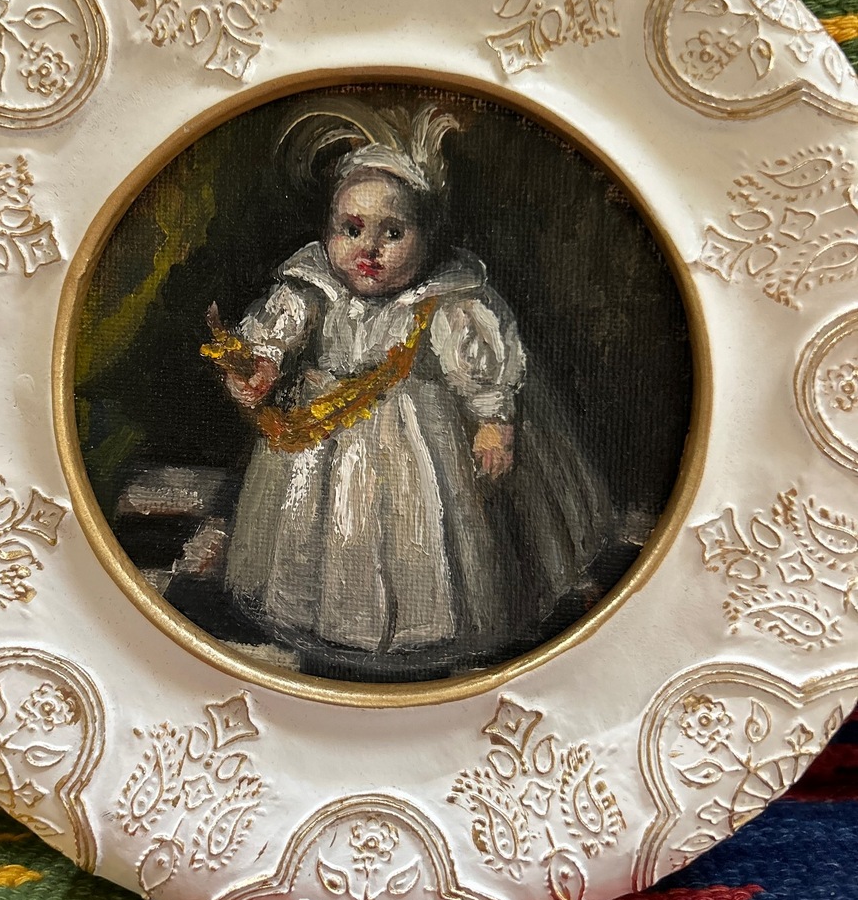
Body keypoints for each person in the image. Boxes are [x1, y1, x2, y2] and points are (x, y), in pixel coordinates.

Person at [203, 98, 605, 680]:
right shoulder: (313, 285)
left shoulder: (444, 299)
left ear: (427, 236)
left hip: (418, 441)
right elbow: (274, 333)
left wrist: (492, 419)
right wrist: (259, 366)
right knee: (322, 531)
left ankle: (422, 628)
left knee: (420, 533)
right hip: (322, 438)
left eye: (392, 232)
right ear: (329, 230)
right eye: (351, 230)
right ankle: (328, 622)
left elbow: (480, 367)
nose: (368, 250)